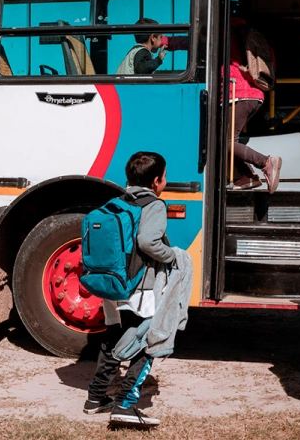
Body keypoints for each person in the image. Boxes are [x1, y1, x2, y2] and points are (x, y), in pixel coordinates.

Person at [84, 151, 174, 428]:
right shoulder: (154, 205)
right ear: (157, 180)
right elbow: (148, 242)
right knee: (146, 342)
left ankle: (96, 399)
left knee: (114, 337)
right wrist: (171, 256)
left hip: (113, 284)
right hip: (139, 287)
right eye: (165, 176)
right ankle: (125, 403)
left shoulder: (115, 202)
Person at [225, 19, 281, 192]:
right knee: (224, 140)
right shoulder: (252, 35)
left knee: (226, 142)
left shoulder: (223, 32)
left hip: (237, 93)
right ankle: (247, 177)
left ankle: (265, 162)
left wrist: (166, 41)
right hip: (255, 94)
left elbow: (195, 43)